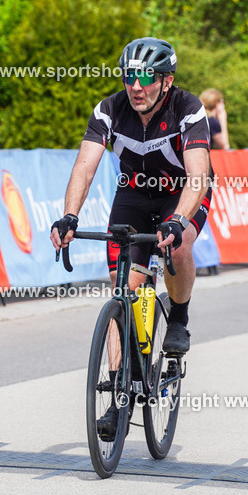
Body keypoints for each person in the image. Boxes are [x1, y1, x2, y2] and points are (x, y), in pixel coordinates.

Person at [50, 37, 212, 440]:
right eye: (129, 76)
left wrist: (177, 220)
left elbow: (198, 176)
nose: (135, 86)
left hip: (181, 192)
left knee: (182, 242)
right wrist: (70, 216)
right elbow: (85, 168)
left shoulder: (188, 109)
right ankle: (119, 396)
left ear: (167, 81)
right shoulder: (108, 110)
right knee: (124, 290)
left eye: (146, 77)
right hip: (134, 194)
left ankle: (179, 318)